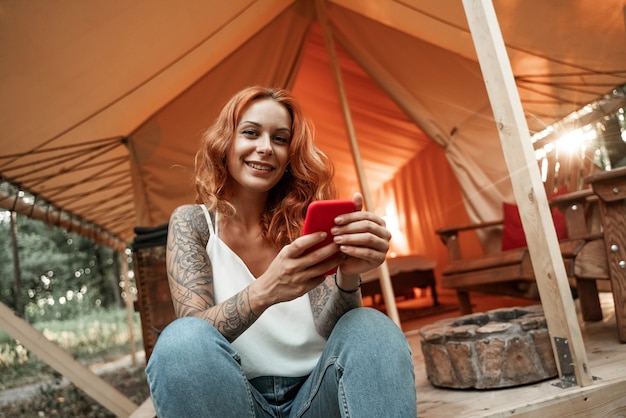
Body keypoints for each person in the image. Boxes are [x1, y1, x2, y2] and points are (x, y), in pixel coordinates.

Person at [146, 86, 417, 417]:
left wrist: (349, 275)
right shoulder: (194, 223)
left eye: (280, 138)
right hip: (237, 401)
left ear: (290, 155)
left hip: (317, 395)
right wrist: (267, 290)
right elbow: (194, 334)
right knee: (181, 342)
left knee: (371, 326)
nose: (265, 148)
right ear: (226, 143)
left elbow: (334, 327)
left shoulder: (304, 223)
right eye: (251, 133)